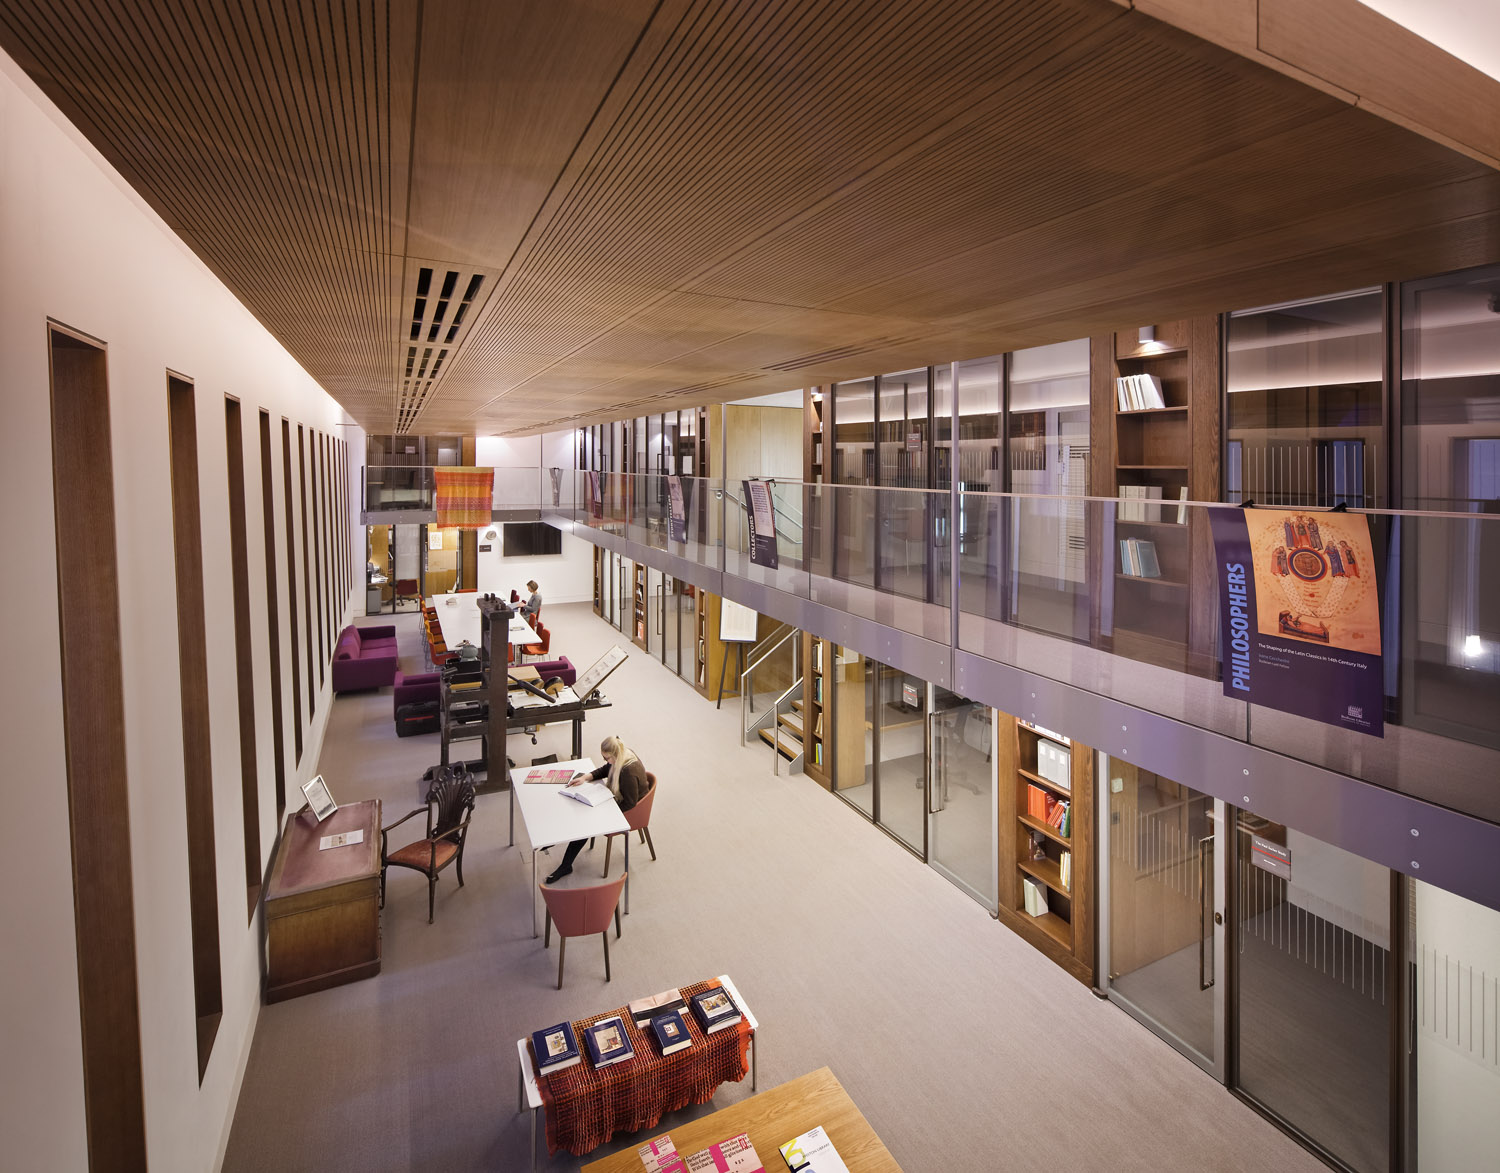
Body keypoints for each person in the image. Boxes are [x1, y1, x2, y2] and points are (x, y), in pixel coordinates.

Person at [544, 736, 647, 884]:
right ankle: (556, 841)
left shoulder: (628, 772)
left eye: (607, 758)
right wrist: (586, 777)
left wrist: (605, 809)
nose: (606, 761)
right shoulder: (622, 755)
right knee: (581, 810)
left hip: (630, 810)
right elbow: (607, 769)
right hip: (618, 800)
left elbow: (630, 803)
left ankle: (565, 865)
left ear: (616, 755)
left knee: (585, 825)